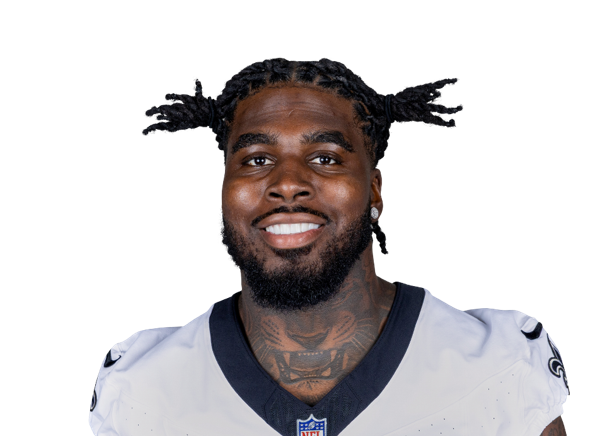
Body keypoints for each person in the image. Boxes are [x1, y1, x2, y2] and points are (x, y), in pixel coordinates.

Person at [89, 58, 568, 435]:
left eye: (325, 157)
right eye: (256, 159)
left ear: (375, 192)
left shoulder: (500, 371)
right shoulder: (141, 394)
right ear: (223, 190)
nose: (287, 183)